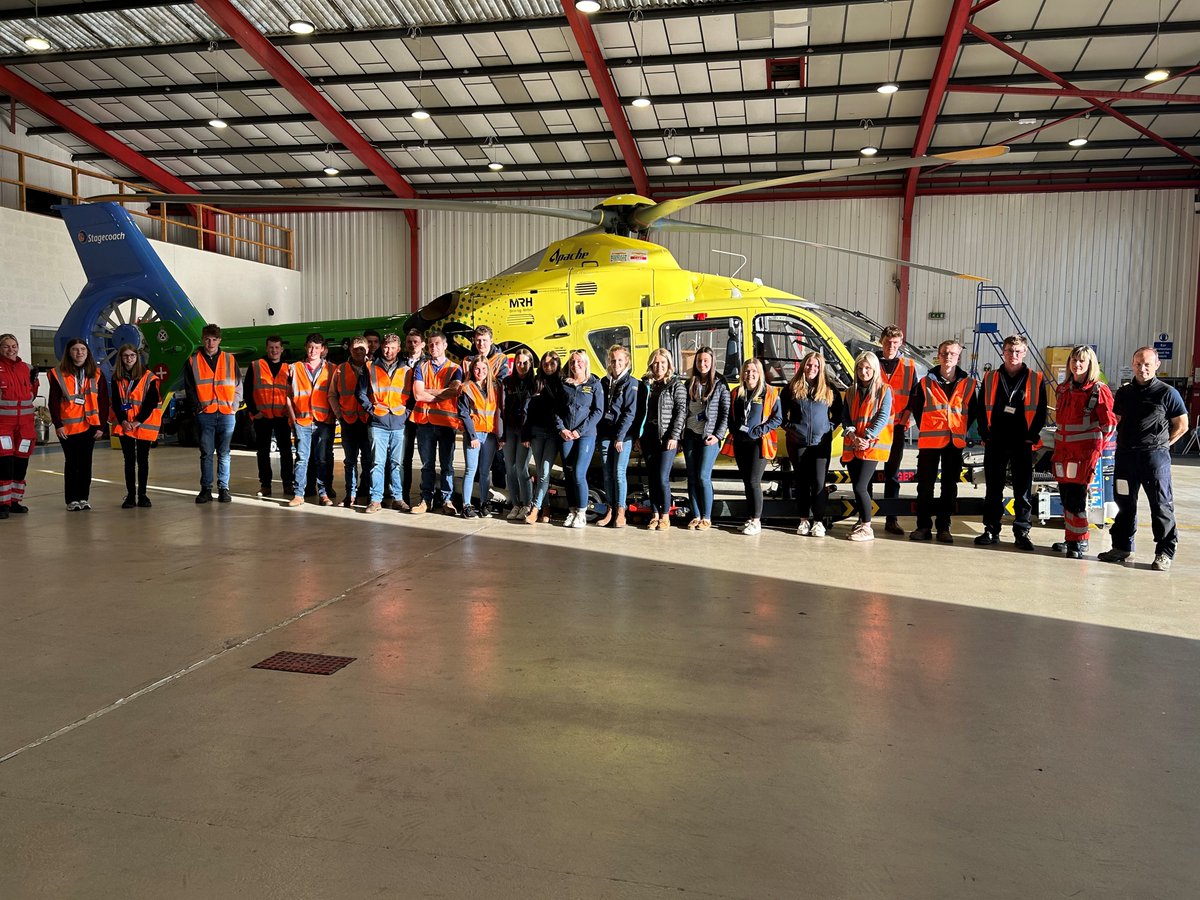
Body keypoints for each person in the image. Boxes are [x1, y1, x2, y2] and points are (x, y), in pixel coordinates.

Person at [1098, 347, 1189, 571]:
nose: (1142, 368)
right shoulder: (1124, 393)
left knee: (1160, 506)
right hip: (1126, 457)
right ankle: (1121, 547)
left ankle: (1164, 552)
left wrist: (1162, 445)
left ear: (1157, 365)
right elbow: (1116, 420)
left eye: (1147, 364)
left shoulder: (1167, 393)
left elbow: (1182, 425)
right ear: (1133, 364)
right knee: (1124, 504)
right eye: (1138, 363)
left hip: (1154, 459)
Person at [975, 335, 1047, 551]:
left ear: (1024, 352)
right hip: (995, 440)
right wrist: (984, 435)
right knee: (993, 489)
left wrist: (1031, 436)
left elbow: (1041, 411)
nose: (1013, 355)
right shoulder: (990, 378)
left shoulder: (1035, 378)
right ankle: (991, 529)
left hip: (1021, 441)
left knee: (1022, 490)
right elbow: (980, 408)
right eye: (1009, 351)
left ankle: (1022, 531)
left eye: (1017, 351)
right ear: (1003, 352)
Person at [907, 339, 979, 543]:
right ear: (938, 356)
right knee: (925, 486)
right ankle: (923, 526)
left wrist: (958, 427)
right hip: (930, 442)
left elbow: (972, 412)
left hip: (954, 443)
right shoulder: (924, 382)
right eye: (944, 353)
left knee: (949, 487)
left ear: (958, 357)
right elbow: (918, 409)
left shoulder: (969, 384)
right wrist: (930, 428)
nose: (948, 357)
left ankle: (944, 528)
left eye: (952, 354)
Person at [1050, 346, 1115, 559]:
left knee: (1077, 500)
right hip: (1063, 452)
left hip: (1084, 455)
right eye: (1074, 360)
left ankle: (1080, 542)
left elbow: (1109, 425)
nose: (1077, 365)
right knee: (1066, 498)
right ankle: (1071, 538)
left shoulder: (1098, 390)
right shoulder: (1063, 389)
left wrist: (1096, 454)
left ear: (1090, 365)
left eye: (1082, 361)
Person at [782, 351, 842, 538]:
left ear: (821, 368)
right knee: (801, 482)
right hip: (797, 443)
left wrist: (827, 428)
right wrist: (792, 428)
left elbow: (838, 415)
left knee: (818, 483)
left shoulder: (829, 389)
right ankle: (803, 520)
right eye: (809, 364)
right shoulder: (791, 388)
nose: (812, 368)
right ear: (803, 366)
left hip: (820, 444)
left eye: (816, 366)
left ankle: (818, 521)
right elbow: (780, 415)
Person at [49, 338, 109, 510]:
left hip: (90, 425)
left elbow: (104, 401)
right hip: (67, 427)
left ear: (87, 352)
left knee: (85, 463)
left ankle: (83, 498)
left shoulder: (97, 373)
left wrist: (101, 426)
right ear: (69, 352)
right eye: (75, 349)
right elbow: (53, 401)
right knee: (72, 463)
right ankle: (71, 500)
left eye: (82, 349)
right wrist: (57, 424)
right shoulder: (58, 373)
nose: (79, 352)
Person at [184, 323, 241, 504]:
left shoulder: (230, 359)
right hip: (205, 413)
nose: (210, 343)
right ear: (202, 340)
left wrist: (234, 406)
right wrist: (197, 409)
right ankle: (206, 490)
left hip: (226, 413)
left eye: (214, 339)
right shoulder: (193, 361)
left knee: (224, 453)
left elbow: (238, 385)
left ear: (219, 340)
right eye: (207, 339)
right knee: (206, 453)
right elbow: (189, 388)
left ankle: (224, 488)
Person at [357, 332, 413, 515]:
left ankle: (398, 498)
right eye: (385, 347)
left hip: (398, 422)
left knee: (398, 463)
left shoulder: (407, 369)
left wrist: (406, 414)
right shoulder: (370, 367)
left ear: (399, 349)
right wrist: (372, 411)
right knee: (377, 462)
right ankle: (375, 499)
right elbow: (361, 393)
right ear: (382, 347)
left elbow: (413, 396)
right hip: (378, 423)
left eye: (392, 347)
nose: (388, 350)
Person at [840, 351, 894, 542]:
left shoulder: (884, 390)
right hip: (854, 444)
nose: (864, 371)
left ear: (874, 369)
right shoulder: (851, 391)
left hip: (871, 446)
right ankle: (862, 520)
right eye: (860, 368)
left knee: (861, 486)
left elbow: (882, 416)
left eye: (868, 368)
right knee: (857, 487)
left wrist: (867, 437)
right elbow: (845, 417)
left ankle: (867, 528)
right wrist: (853, 435)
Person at [727, 358, 781, 536]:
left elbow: (777, 418)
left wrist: (760, 431)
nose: (750, 374)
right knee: (746, 482)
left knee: (753, 481)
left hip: (759, 443)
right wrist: (735, 431)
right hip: (741, 442)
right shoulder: (737, 393)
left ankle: (757, 520)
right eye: (747, 371)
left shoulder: (770, 392)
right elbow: (731, 417)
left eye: (754, 371)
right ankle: (750, 517)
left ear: (760, 374)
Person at [411, 330, 462, 515]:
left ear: (445, 345)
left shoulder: (455, 368)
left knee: (447, 464)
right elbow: (417, 394)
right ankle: (426, 499)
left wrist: (429, 392)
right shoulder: (421, 366)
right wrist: (442, 392)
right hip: (425, 423)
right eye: (431, 344)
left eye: (437, 344)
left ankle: (447, 500)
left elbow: (455, 391)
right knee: (427, 465)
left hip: (447, 423)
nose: (434, 347)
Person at [681, 346, 730, 530]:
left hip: (709, 437)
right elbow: (683, 411)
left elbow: (725, 413)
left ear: (712, 363)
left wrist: (718, 435)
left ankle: (707, 517)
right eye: (700, 361)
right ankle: (696, 515)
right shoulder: (689, 384)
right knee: (692, 477)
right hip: (690, 436)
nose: (703, 364)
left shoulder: (720, 383)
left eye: (706, 361)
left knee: (703, 476)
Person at [555, 349, 604, 528]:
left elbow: (598, 411)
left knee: (578, 473)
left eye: (579, 361)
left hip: (585, 436)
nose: (575, 365)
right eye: (572, 362)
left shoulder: (594, 384)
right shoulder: (564, 384)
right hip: (566, 435)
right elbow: (557, 411)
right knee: (568, 474)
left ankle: (582, 512)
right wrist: (562, 429)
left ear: (585, 363)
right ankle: (572, 510)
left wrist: (579, 431)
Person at [286, 333, 336, 507]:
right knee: (301, 457)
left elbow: (335, 395)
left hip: (324, 421)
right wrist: (293, 420)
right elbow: (288, 396)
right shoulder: (294, 368)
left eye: (317, 347)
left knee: (322, 458)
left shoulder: (332, 369)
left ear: (322, 349)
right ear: (305, 347)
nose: (313, 350)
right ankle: (299, 494)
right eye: (310, 346)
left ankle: (324, 493)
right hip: (302, 421)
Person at [640, 348, 687, 531]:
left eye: (662, 363)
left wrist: (675, 435)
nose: (659, 366)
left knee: (662, 477)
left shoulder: (676, 385)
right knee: (651, 478)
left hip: (667, 437)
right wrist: (638, 435)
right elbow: (639, 412)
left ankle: (665, 515)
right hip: (648, 436)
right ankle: (654, 514)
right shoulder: (646, 384)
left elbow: (681, 412)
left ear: (668, 364)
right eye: (655, 363)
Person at [110, 343, 162, 509]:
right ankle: (131, 496)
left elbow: (151, 401)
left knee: (143, 460)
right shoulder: (116, 378)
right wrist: (124, 421)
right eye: (125, 356)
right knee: (129, 461)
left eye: (132, 355)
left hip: (143, 423)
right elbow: (117, 402)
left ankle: (143, 495)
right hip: (125, 425)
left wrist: (137, 421)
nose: (129, 359)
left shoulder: (149, 377)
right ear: (121, 358)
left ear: (137, 357)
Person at [877, 324, 917, 535]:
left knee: (892, 475)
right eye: (887, 342)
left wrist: (908, 413)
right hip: (873, 427)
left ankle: (891, 519)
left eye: (895, 343)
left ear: (900, 343)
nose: (891, 346)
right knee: (865, 475)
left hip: (898, 427)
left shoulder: (909, 366)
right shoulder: (871, 362)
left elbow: (915, 396)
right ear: (881, 341)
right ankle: (865, 517)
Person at [596, 344, 641, 528]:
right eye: (613, 360)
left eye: (620, 360)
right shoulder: (603, 382)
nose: (616, 364)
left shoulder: (632, 384)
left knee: (618, 473)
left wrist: (620, 437)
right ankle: (610, 510)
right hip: (606, 434)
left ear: (626, 361)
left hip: (623, 436)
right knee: (607, 474)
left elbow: (630, 413)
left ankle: (621, 512)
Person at [244, 335, 293, 499]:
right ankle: (265, 485)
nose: (274, 350)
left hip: (282, 416)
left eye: (277, 347)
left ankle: (288, 484)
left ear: (281, 349)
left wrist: (290, 412)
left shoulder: (289, 368)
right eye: (271, 347)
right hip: (262, 417)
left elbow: (294, 392)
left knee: (286, 452)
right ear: (267, 348)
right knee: (263, 452)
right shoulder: (256, 366)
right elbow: (247, 391)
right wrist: (254, 412)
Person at [458, 355, 502, 517]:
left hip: (490, 435)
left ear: (488, 370)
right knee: (470, 470)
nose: (480, 372)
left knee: (485, 471)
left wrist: (499, 436)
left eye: (484, 369)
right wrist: (472, 436)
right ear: (472, 369)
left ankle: (484, 503)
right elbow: (463, 414)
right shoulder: (466, 387)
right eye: (477, 368)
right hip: (474, 435)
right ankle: (466, 505)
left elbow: (498, 413)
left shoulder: (495, 388)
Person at [0, 332, 38, 519]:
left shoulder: (27, 368)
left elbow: (32, 394)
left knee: (21, 464)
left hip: (25, 427)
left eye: (13, 346)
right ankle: (2, 504)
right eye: (6, 346)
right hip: (3, 427)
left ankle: (15, 501)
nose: (10, 349)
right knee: (5, 465)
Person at [331, 335, 370, 508]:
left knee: (369, 461)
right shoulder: (340, 370)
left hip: (368, 422)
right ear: (350, 349)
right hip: (348, 422)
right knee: (350, 461)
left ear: (367, 349)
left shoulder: (374, 368)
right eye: (355, 348)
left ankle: (369, 494)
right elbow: (332, 394)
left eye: (362, 348)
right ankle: (350, 494)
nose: (359, 351)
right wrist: (339, 415)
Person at [523, 351, 561, 524]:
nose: (548, 367)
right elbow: (528, 411)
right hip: (537, 432)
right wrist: (526, 433)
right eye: (545, 364)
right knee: (540, 473)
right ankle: (546, 508)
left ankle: (535, 508)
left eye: (552, 364)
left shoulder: (562, 383)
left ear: (558, 364)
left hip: (553, 433)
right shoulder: (536, 383)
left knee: (545, 472)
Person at [500, 348, 536, 520]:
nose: (521, 366)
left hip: (525, 432)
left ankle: (527, 504)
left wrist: (528, 435)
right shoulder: (507, 382)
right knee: (510, 468)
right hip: (509, 430)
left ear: (531, 364)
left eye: (525, 363)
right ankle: (515, 504)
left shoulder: (535, 383)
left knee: (521, 468)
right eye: (519, 363)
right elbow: (502, 408)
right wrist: (501, 435)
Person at [397, 327, 427, 508]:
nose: (412, 345)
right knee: (403, 459)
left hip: (423, 416)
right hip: (404, 416)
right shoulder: (398, 362)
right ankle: (402, 496)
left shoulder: (429, 363)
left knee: (426, 460)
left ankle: (427, 497)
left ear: (422, 344)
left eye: (416, 341)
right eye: (409, 341)